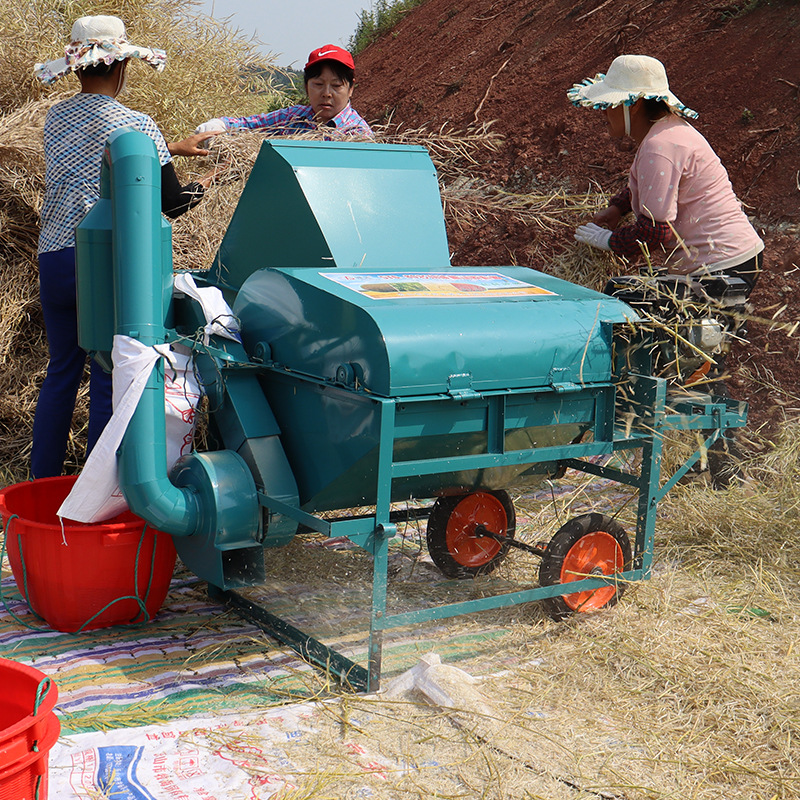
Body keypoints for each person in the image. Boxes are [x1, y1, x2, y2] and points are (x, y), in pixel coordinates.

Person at [31, 15, 221, 479]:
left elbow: (95, 154)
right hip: (103, 260)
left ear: (78, 68)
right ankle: (95, 493)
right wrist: (208, 182)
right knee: (107, 374)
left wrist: (173, 147)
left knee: (61, 373)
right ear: (121, 66)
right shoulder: (137, 123)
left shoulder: (55, 118)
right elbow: (170, 202)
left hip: (54, 256)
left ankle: (42, 481)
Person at [568, 54, 763, 294]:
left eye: (609, 104)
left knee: (620, 296)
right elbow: (656, 187)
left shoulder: (659, 146)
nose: (603, 113)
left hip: (721, 267)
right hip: (735, 260)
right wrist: (618, 208)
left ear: (633, 105)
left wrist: (607, 240)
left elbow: (654, 233)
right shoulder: (668, 132)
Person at [195, 44, 373, 139]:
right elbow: (251, 125)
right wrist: (218, 126)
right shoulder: (293, 118)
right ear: (306, 87)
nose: (327, 93)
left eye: (336, 86)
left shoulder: (357, 135)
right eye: (318, 84)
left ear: (350, 89)